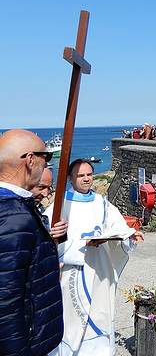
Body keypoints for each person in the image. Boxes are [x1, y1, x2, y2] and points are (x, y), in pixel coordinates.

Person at [52, 159, 144, 356]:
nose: (86, 179)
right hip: (75, 273)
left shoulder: (101, 202)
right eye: (80, 175)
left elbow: (117, 226)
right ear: (69, 178)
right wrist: (83, 244)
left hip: (100, 270)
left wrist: (130, 235)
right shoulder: (60, 204)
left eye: (89, 174)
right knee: (74, 319)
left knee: (100, 313)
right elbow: (49, 243)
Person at [0, 129, 63, 355]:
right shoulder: (14, 216)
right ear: (30, 160)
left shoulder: (15, 207)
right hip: (29, 344)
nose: (46, 166)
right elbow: (5, 300)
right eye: (46, 160)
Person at [32, 167, 68, 238]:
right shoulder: (13, 210)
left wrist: (60, 234)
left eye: (49, 188)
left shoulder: (39, 207)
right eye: (41, 187)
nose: (46, 194)